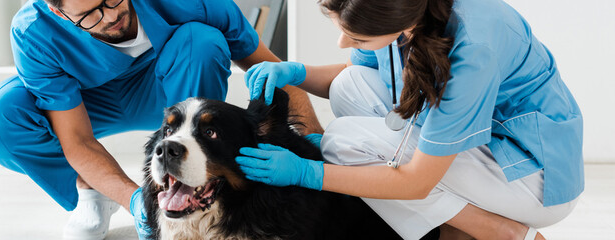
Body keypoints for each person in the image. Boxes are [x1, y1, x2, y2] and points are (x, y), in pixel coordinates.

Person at [0, 0, 324, 239]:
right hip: (87, 102)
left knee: (201, 40)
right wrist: (135, 199)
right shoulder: (33, 31)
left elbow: (270, 71)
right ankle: (94, 190)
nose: (109, 16)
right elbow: (76, 138)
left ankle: (193, 182)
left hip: (172, 87)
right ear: (59, 13)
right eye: (89, 14)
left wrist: (318, 152)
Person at [236, 0, 583, 239]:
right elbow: (355, 73)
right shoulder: (399, 10)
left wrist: (306, 172)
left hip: (532, 179)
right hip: (484, 149)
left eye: (356, 38)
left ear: (403, 26)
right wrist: (293, 72)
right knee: (348, 87)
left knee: (342, 142)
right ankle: (447, 214)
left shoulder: (473, 48)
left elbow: (416, 182)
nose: (343, 43)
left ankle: (497, 230)